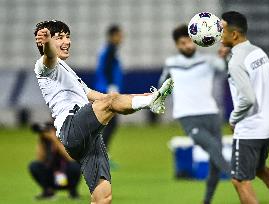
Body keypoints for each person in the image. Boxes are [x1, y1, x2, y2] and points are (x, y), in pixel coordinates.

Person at [34, 20, 173, 204]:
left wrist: (141, 97)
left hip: (90, 138)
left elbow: (97, 97)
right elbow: (48, 57)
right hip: (72, 127)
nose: (67, 41)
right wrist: (47, 46)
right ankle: (151, 103)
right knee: (111, 101)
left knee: (103, 197)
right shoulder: (44, 66)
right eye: (60, 38)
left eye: (68, 36)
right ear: (45, 43)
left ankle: (150, 101)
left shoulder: (66, 70)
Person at [159, 24, 230, 204]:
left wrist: (225, 57)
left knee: (215, 161)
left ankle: (206, 200)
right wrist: (159, 95)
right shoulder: (171, 63)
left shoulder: (208, 60)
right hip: (188, 117)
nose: (188, 45)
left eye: (191, 41)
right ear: (177, 45)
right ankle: (239, 177)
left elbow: (225, 69)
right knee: (214, 149)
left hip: (211, 114)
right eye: (183, 42)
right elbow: (163, 87)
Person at [221, 11, 269, 204]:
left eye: (221, 30)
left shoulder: (236, 62)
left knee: (239, 180)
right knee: (260, 169)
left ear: (234, 35)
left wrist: (233, 118)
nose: (217, 34)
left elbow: (248, 98)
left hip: (251, 128)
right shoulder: (259, 52)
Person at [29, 122, 81, 200]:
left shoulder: (66, 138)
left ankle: (73, 191)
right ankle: (48, 191)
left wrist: (55, 140)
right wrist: (41, 140)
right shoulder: (46, 142)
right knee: (34, 165)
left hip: (66, 175)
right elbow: (39, 159)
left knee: (75, 165)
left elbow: (71, 158)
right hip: (52, 176)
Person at [94, 25, 123, 150]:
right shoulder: (109, 50)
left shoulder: (109, 50)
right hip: (106, 91)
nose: (121, 38)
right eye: (119, 35)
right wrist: (111, 87)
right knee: (110, 124)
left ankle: (101, 154)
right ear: (112, 36)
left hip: (105, 89)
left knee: (107, 124)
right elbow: (105, 70)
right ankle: (100, 155)